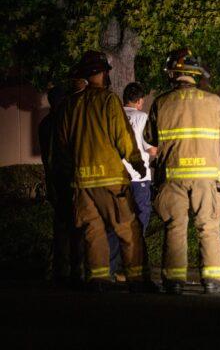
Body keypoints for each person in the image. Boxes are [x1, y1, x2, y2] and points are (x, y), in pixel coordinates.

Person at [56, 50, 156, 293]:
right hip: (110, 180)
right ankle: (137, 279)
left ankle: (98, 279)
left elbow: (62, 145)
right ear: (101, 73)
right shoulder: (108, 100)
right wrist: (137, 163)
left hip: (82, 183)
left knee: (93, 230)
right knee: (128, 227)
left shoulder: (71, 105)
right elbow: (123, 136)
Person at [144, 48, 220, 295]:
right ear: (195, 74)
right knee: (209, 226)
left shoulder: (161, 103)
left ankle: (174, 281)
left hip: (173, 176)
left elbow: (150, 137)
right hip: (206, 177)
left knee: (175, 226)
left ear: (173, 74)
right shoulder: (215, 102)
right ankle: (214, 281)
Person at [107, 82, 157, 279]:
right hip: (139, 179)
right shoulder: (142, 117)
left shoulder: (114, 117)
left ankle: (110, 268)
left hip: (117, 177)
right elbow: (151, 149)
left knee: (115, 221)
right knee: (139, 222)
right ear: (140, 101)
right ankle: (134, 267)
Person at [39, 84, 83, 286]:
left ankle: (60, 270)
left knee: (61, 226)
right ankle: (74, 270)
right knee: (74, 225)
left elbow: (47, 158)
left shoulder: (45, 123)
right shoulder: (65, 121)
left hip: (55, 179)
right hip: (67, 179)